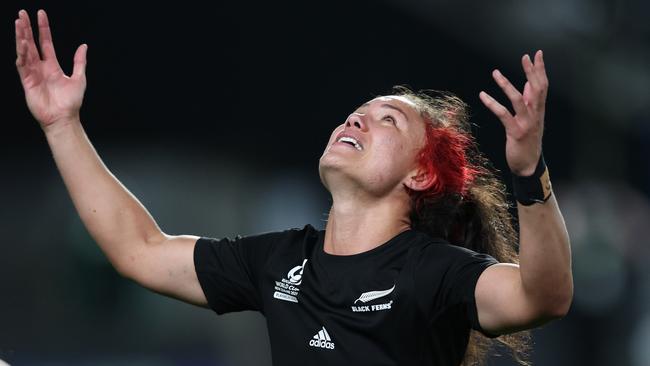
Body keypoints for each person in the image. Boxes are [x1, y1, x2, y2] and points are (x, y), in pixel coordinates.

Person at [15, 8, 573, 366]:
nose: (355, 121)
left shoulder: (436, 273)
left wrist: (529, 173)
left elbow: (544, 296)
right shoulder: (280, 261)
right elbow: (140, 249)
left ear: (420, 174)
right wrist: (62, 126)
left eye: (387, 121)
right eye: (356, 113)